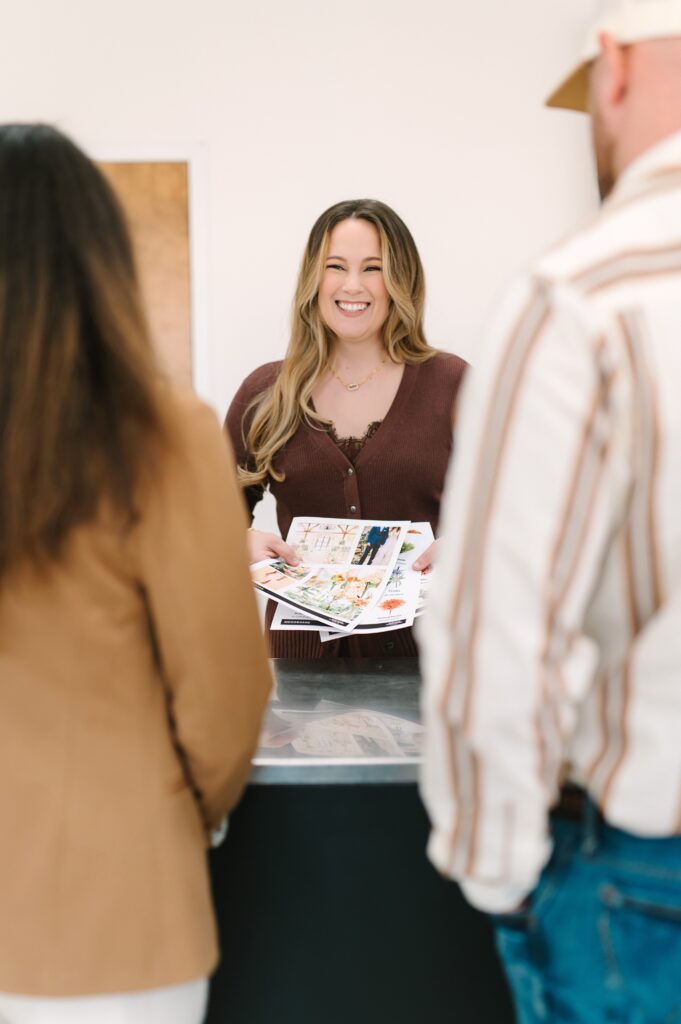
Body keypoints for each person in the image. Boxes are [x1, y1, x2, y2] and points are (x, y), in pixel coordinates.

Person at [419, 2, 681, 1020]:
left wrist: (500, 870)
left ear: (610, 67)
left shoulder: (583, 299)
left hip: (643, 884)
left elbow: (502, 628)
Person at [0, 124, 271, 1023]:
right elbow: (224, 699)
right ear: (101, 255)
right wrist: (184, 812)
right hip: (116, 912)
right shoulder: (162, 432)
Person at [225, 198, 467, 658]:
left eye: (373, 268)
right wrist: (238, 540)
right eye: (336, 266)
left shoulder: (453, 386)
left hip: (430, 668)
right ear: (314, 278)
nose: (352, 285)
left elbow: (518, 513)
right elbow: (203, 521)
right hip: (300, 678)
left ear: (401, 280)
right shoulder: (264, 393)